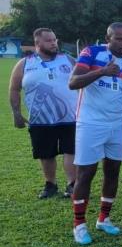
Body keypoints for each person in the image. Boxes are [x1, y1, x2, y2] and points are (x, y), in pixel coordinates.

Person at [68, 23, 122, 245]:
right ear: (108, 38)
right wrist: (102, 71)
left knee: (112, 172)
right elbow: (73, 83)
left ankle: (104, 218)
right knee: (86, 173)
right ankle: (79, 224)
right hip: (90, 123)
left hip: (117, 125)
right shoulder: (92, 52)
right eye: (119, 39)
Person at [9, 27, 77, 198]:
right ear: (37, 43)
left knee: (71, 150)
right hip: (40, 119)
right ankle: (50, 184)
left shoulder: (68, 60)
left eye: (55, 40)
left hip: (70, 116)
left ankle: (72, 184)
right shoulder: (25, 64)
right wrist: (16, 114)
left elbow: (84, 79)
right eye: (49, 40)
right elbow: (14, 89)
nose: (54, 43)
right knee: (46, 153)